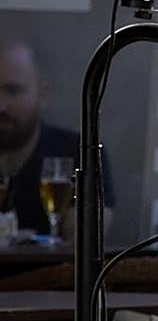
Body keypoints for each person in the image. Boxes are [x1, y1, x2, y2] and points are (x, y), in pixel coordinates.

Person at [0, 39, 113, 236]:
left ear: (42, 93)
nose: (1, 106)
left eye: (13, 91)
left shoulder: (79, 151)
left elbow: (88, 234)